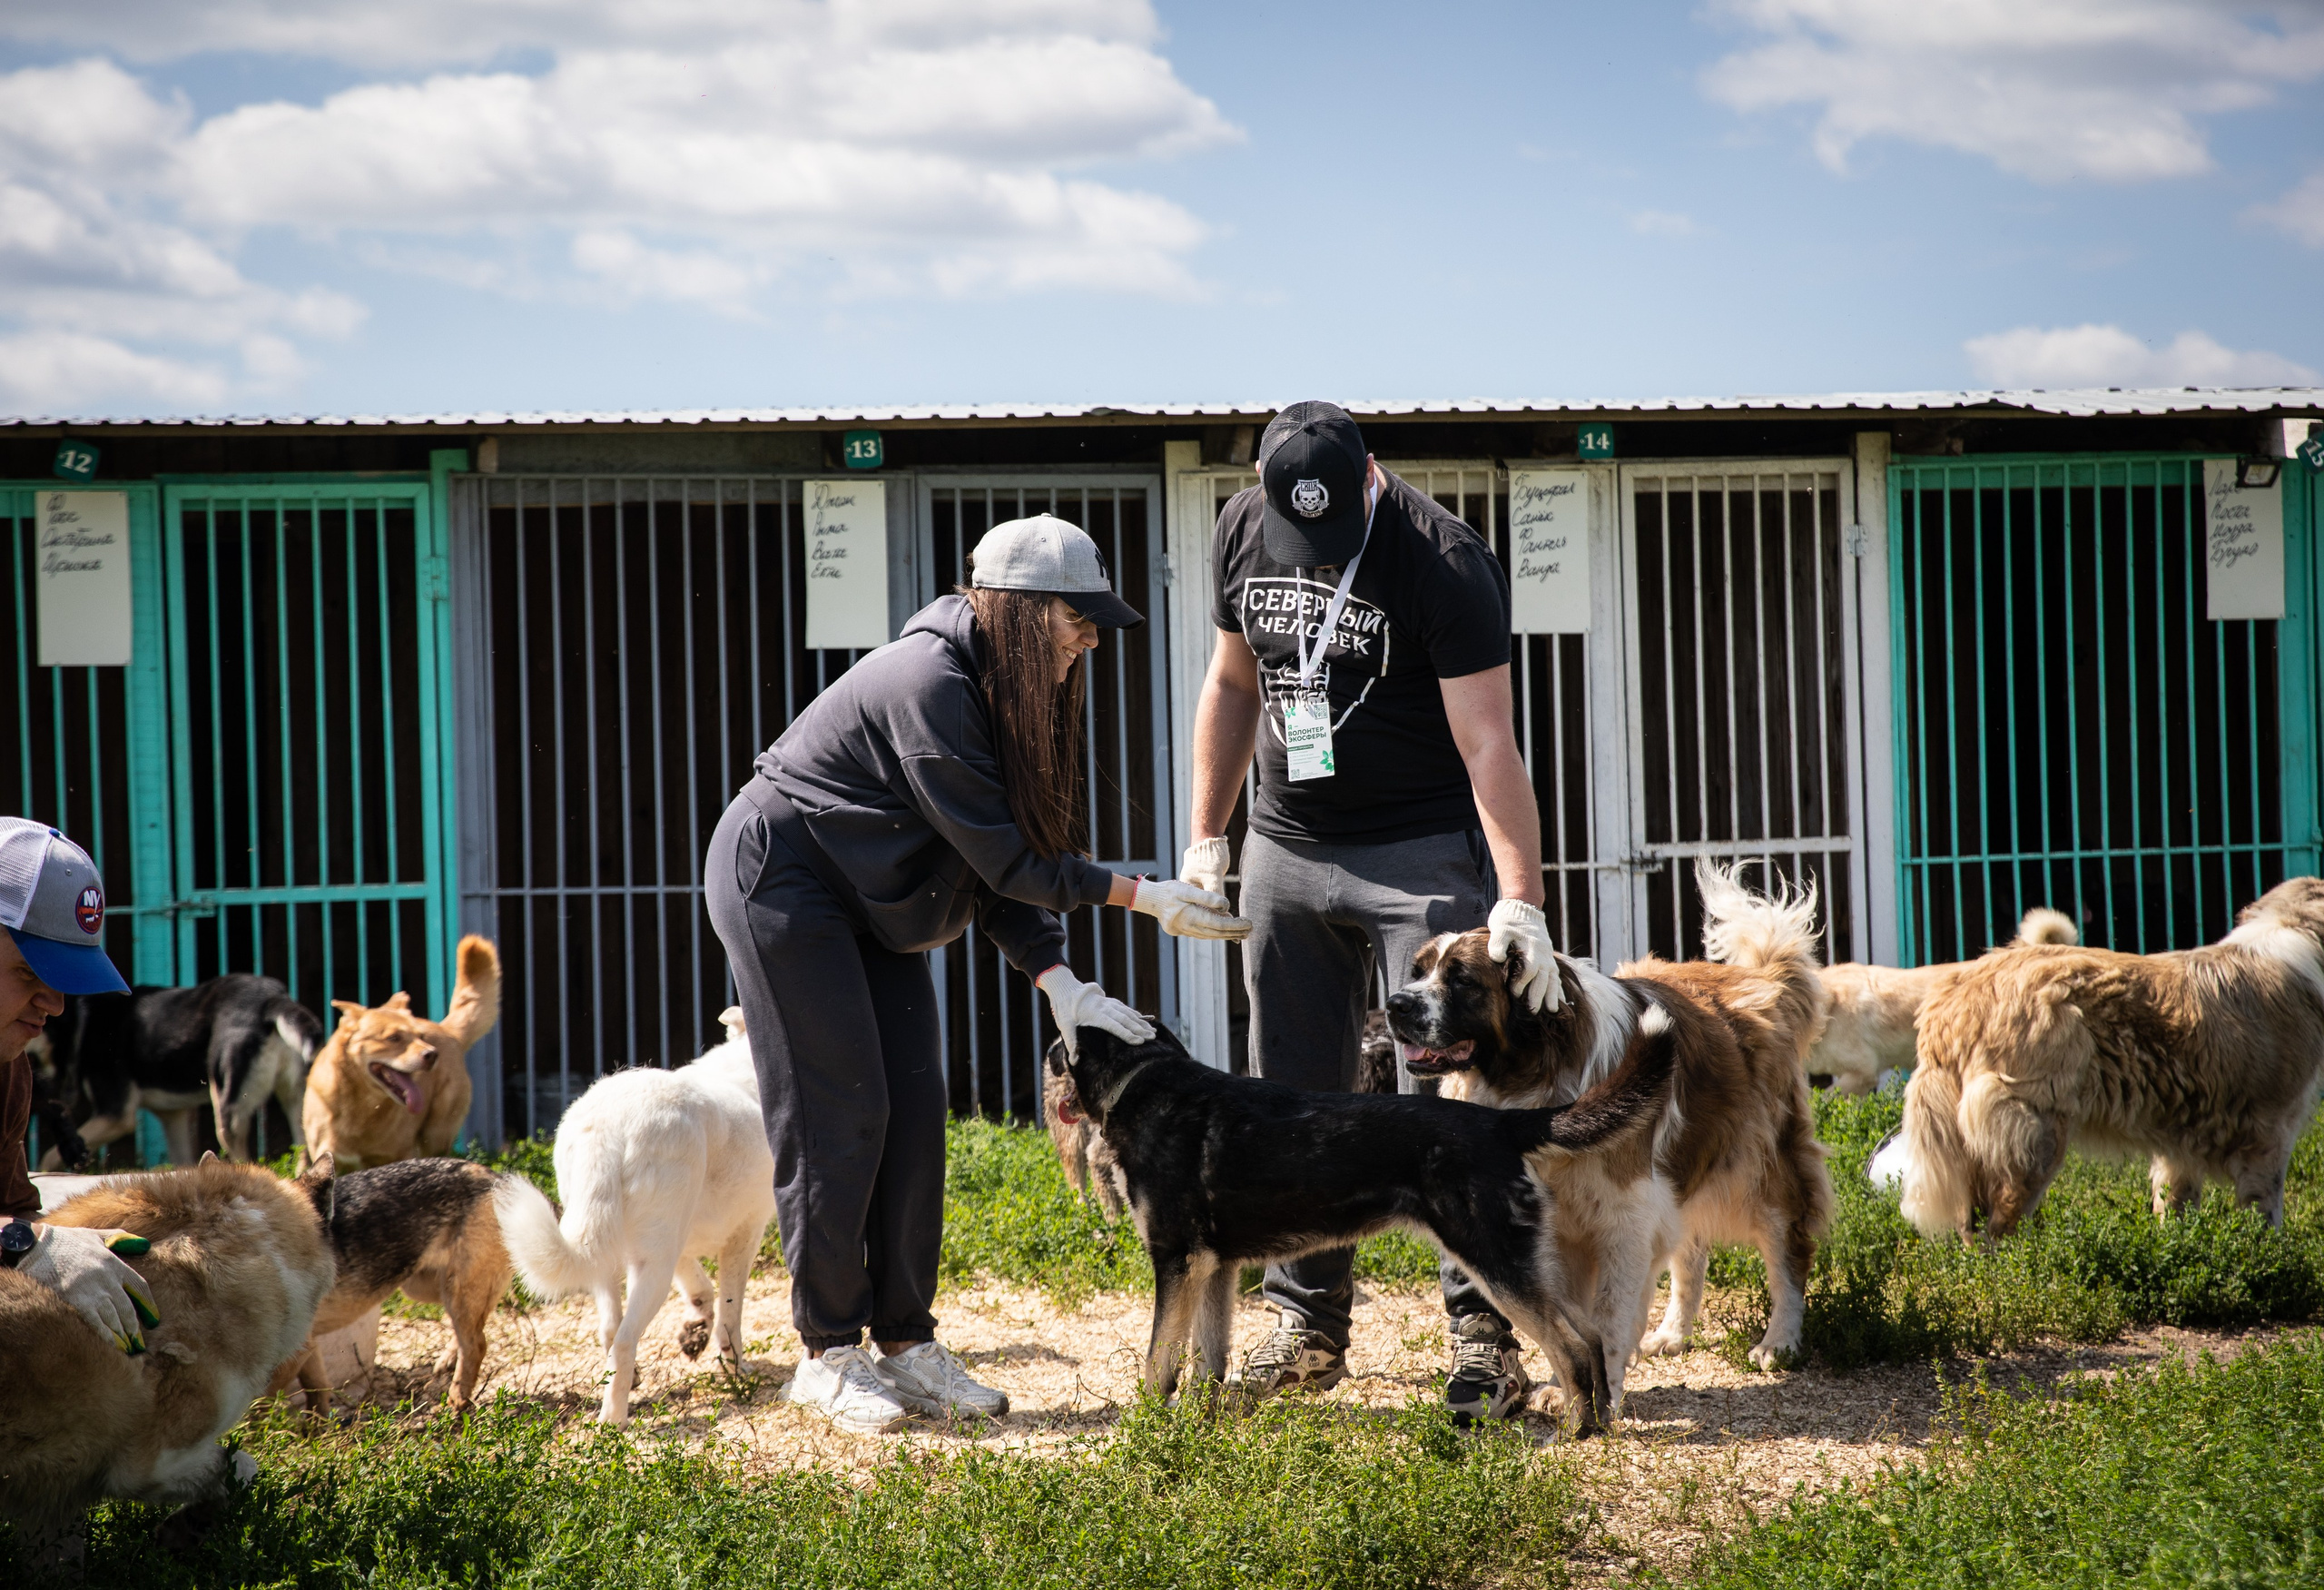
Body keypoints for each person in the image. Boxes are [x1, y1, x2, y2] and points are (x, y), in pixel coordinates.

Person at [706, 512, 1250, 1435]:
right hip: (785, 884)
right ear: (1023, 608)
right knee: (840, 1111)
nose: (1086, 642)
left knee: (914, 1112)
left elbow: (988, 871)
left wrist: (1061, 984)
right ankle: (826, 1353)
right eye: (1076, 621)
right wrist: (1140, 895)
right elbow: (1005, 864)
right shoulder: (931, 680)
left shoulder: (1003, 688)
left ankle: (906, 1343)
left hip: (875, 897)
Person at [1183, 400, 1561, 1426]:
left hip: (1417, 849)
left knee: (1442, 1101)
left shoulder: (1444, 560)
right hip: (1287, 841)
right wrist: (1207, 836)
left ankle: (1484, 1333)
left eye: (1334, 524)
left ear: (1370, 478)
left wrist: (1517, 895)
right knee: (1291, 1094)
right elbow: (1230, 682)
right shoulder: (1237, 527)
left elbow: (1488, 740)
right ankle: (1304, 1324)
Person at [0, 817, 158, 1354]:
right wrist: (25, 1244)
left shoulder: (9, 1065)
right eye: (29, 974)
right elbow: (17, 1232)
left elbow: (12, 1207)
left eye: (64, 980)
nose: (56, 1005)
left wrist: (56, 1240)